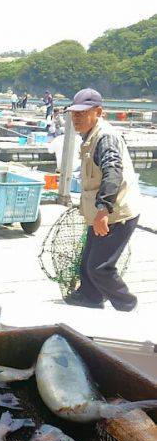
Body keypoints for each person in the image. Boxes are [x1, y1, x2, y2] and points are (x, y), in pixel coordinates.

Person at [64, 88, 140, 311]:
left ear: (99, 112)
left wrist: (102, 211)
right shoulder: (90, 135)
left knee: (99, 267)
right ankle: (90, 297)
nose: (76, 118)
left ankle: (128, 305)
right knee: (87, 260)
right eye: (74, 113)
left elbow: (113, 172)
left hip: (116, 214)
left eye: (83, 113)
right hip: (101, 212)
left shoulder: (105, 138)